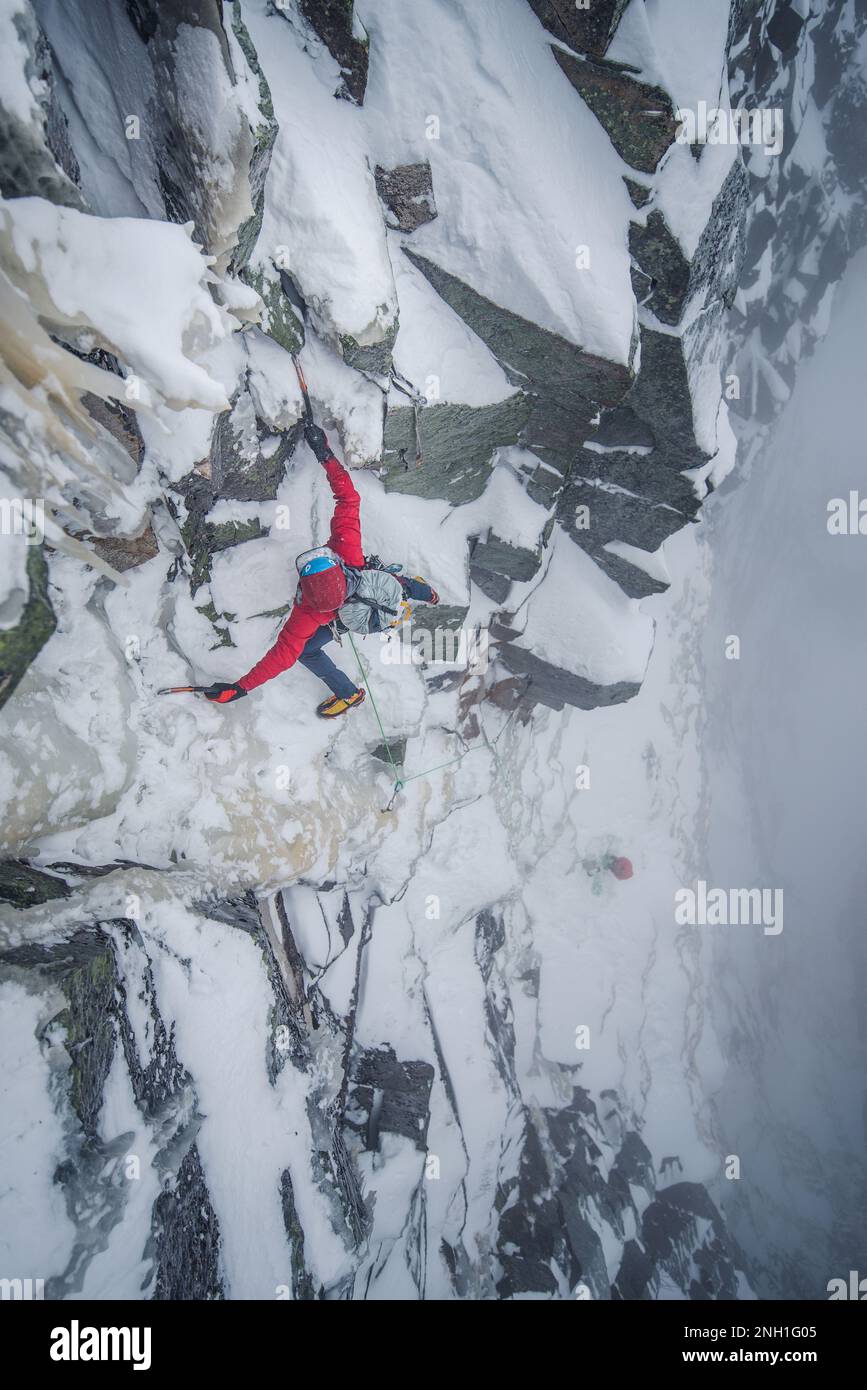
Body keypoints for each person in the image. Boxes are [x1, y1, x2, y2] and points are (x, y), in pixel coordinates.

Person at [204, 422, 439, 716]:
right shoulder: (349, 554)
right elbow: (349, 499)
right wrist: (325, 454)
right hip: (369, 590)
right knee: (394, 582)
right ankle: (425, 593)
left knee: (306, 650)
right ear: (336, 565)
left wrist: (241, 688)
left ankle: (348, 694)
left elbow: (283, 656)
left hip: (347, 615)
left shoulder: (309, 614)